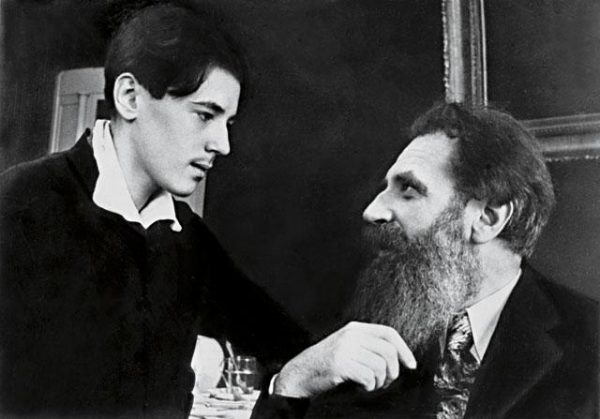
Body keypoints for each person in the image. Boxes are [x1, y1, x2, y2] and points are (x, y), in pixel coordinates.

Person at [0, 2, 307, 418]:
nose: (222, 145)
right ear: (130, 98)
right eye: (205, 115)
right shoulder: (20, 204)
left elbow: (283, 343)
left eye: (228, 124)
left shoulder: (190, 240)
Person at [252, 102, 598, 419]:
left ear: (487, 219)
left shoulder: (591, 341)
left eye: (409, 190)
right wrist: (293, 382)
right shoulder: (363, 332)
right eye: (386, 188)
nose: (372, 210)